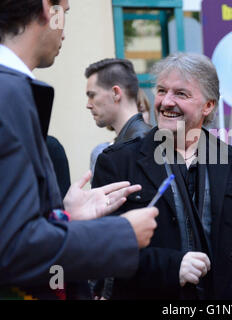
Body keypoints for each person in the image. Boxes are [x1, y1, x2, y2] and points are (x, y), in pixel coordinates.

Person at [0, 0, 158, 299]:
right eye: (66, 14)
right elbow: (14, 248)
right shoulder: (8, 94)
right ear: (49, 9)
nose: (65, 32)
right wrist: (121, 234)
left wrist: (65, 217)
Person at [92, 52, 232, 300]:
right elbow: (104, 247)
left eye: (181, 94)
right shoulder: (117, 162)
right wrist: (171, 266)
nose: (166, 102)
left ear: (208, 106)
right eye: (162, 91)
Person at [86, 58, 151, 174]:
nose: (88, 105)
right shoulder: (160, 143)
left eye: (92, 95)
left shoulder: (115, 157)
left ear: (115, 93)